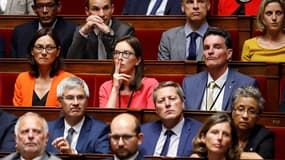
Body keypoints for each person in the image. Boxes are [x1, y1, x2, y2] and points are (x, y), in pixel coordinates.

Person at [182, 27, 258, 111]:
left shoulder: (246, 84)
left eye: (217, 47)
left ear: (228, 54)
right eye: (206, 48)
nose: (210, 51)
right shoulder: (189, 83)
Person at [46, 77, 110, 154]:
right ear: (60, 102)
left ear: (87, 101)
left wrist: (74, 154)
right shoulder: (48, 129)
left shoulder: (100, 130)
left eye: (80, 97)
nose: (75, 103)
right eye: (70, 98)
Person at [13, 28, 74, 106]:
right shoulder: (22, 79)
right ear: (32, 51)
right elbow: (18, 112)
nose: (44, 52)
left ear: (58, 52)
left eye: (49, 48)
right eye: (39, 47)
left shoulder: (68, 80)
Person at [140, 81, 201, 157]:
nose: (167, 104)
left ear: (183, 103)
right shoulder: (144, 132)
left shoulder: (198, 131)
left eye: (172, 99)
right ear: (155, 109)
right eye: (161, 101)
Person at [99, 35, 158, 109]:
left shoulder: (150, 85)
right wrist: (115, 89)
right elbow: (106, 119)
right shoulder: (106, 87)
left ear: (138, 60)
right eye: (117, 53)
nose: (120, 58)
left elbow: (150, 118)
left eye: (126, 53)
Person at [66, 0, 134, 59]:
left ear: (112, 9)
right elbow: (72, 62)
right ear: (87, 11)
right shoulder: (81, 30)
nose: (102, 14)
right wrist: (83, 33)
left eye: (106, 8)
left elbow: (122, 61)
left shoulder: (125, 30)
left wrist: (108, 33)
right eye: (96, 9)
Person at [10, 0, 76, 58]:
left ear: (58, 7)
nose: (45, 11)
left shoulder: (72, 31)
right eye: (40, 6)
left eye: (50, 6)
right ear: (34, 9)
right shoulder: (20, 32)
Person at [231, 86, 274, 159]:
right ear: (233, 112)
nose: (245, 116)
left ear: (258, 117)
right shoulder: (224, 131)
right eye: (240, 109)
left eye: (252, 111)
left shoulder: (265, 135)